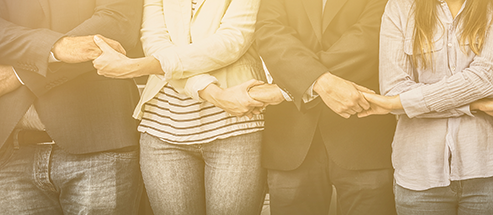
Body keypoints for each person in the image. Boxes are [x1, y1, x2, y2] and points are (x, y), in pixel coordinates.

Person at [90, 0, 281, 214]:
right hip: (163, 132)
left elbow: (231, 42)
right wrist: (214, 93)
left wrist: (136, 67)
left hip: (234, 126)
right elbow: (155, 45)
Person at [357, 0, 493, 213]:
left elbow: (484, 79)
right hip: (418, 174)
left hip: (489, 171)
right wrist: (476, 104)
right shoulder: (400, 6)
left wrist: (403, 103)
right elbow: (394, 91)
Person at [0, 0, 144, 214]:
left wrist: (21, 73)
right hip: (12, 150)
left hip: (98, 142)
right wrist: (57, 47)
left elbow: (118, 23)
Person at [254, 0, 397, 214]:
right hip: (291, 139)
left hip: (363, 135)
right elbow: (270, 35)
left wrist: (305, 80)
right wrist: (321, 82)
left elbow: (370, 37)